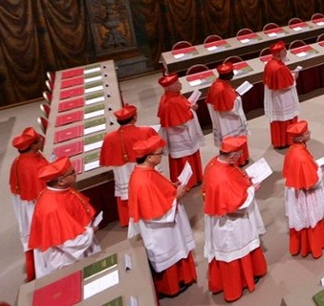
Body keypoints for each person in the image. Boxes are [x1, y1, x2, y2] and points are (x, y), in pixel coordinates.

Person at [127, 134, 197, 298]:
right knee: (169, 254)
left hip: (166, 223)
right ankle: (170, 287)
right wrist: (176, 196)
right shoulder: (143, 181)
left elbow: (158, 190)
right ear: (149, 157)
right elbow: (155, 213)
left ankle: (181, 278)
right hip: (160, 230)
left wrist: (172, 186)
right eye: (159, 153)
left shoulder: (146, 171)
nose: (162, 156)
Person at [203, 135, 267, 302]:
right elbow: (237, 206)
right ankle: (238, 285)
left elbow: (234, 179)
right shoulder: (222, 178)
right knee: (236, 249)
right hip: (230, 223)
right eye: (239, 155)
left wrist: (245, 179)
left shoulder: (214, 162)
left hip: (220, 214)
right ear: (231, 156)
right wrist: (252, 189)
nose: (241, 157)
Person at [28, 158, 100, 278]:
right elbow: (70, 241)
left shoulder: (61, 190)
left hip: (78, 237)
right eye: (72, 172)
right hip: (66, 255)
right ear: (61, 181)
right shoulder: (53, 208)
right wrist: (91, 231)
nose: (75, 173)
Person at [98, 103, 157, 228]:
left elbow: (105, 160)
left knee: (126, 192)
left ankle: (129, 219)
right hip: (142, 169)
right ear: (134, 117)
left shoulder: (109, 138)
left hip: (122, 172)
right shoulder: (146, 131)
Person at [282, 121, 324, 259]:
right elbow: (312, 183)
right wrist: (320, 171)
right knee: (309, 219)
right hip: (304, 194)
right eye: (307, 133)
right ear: (301, 138)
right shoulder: (301, 156)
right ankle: (313, 247)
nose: (310, 133)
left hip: (296, 190)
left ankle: (299, 246)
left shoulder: (293, 150)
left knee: (302, 219)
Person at [9, 126, 47, 281]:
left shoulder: (18, 161)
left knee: (28, 235)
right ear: (32, 146)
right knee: (41, 235)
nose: (42, 140)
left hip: (23, 204)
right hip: (34, 205)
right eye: (38, 140)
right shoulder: (35, 166)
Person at [157, 72, 205, 187]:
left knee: (192, 154)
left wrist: (190, 106)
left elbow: (183, 107)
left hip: (183, 135)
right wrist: (191, 110)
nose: (180, 84)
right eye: (177, 83)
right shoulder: (171, 102)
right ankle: (189, 182)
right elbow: (180, 123)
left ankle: (197, 177)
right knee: (185, 158)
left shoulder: (174, 96)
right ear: (170, 87)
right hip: (180, 136)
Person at [206, 62, 250, 166]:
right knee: (234, 140)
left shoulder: (217, 84)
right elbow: (231, 109)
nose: (233, 74)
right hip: (229, 121)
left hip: (223, 120)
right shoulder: (222, 89)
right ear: (227, 75)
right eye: (231, 73)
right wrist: (238, 98)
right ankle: (238, 161)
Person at [263, 41, 301, 149]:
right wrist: (294, 76)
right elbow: (287, 84)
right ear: (278, 53)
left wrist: (289, 74)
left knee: (279, 120)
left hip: (275, 97)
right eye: (284, 51)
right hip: (283, 98)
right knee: (286, 118)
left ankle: (279, 141)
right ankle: (287, 140)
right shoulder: (279, 67)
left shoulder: (270, 64)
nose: (286, 52)